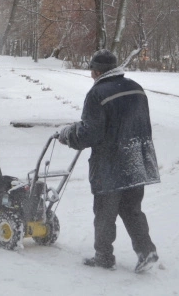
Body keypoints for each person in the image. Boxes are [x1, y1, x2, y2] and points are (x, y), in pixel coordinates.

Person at [57, 49, 160, 273]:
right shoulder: (136, 88)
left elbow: (90, 134)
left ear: (97, 71)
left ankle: (103, 257)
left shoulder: (97, 94)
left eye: (92, 70)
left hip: (110, 162)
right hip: (136, 157)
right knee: (132, 208)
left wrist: (67, 135)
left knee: (105, 211)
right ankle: (146, 251)